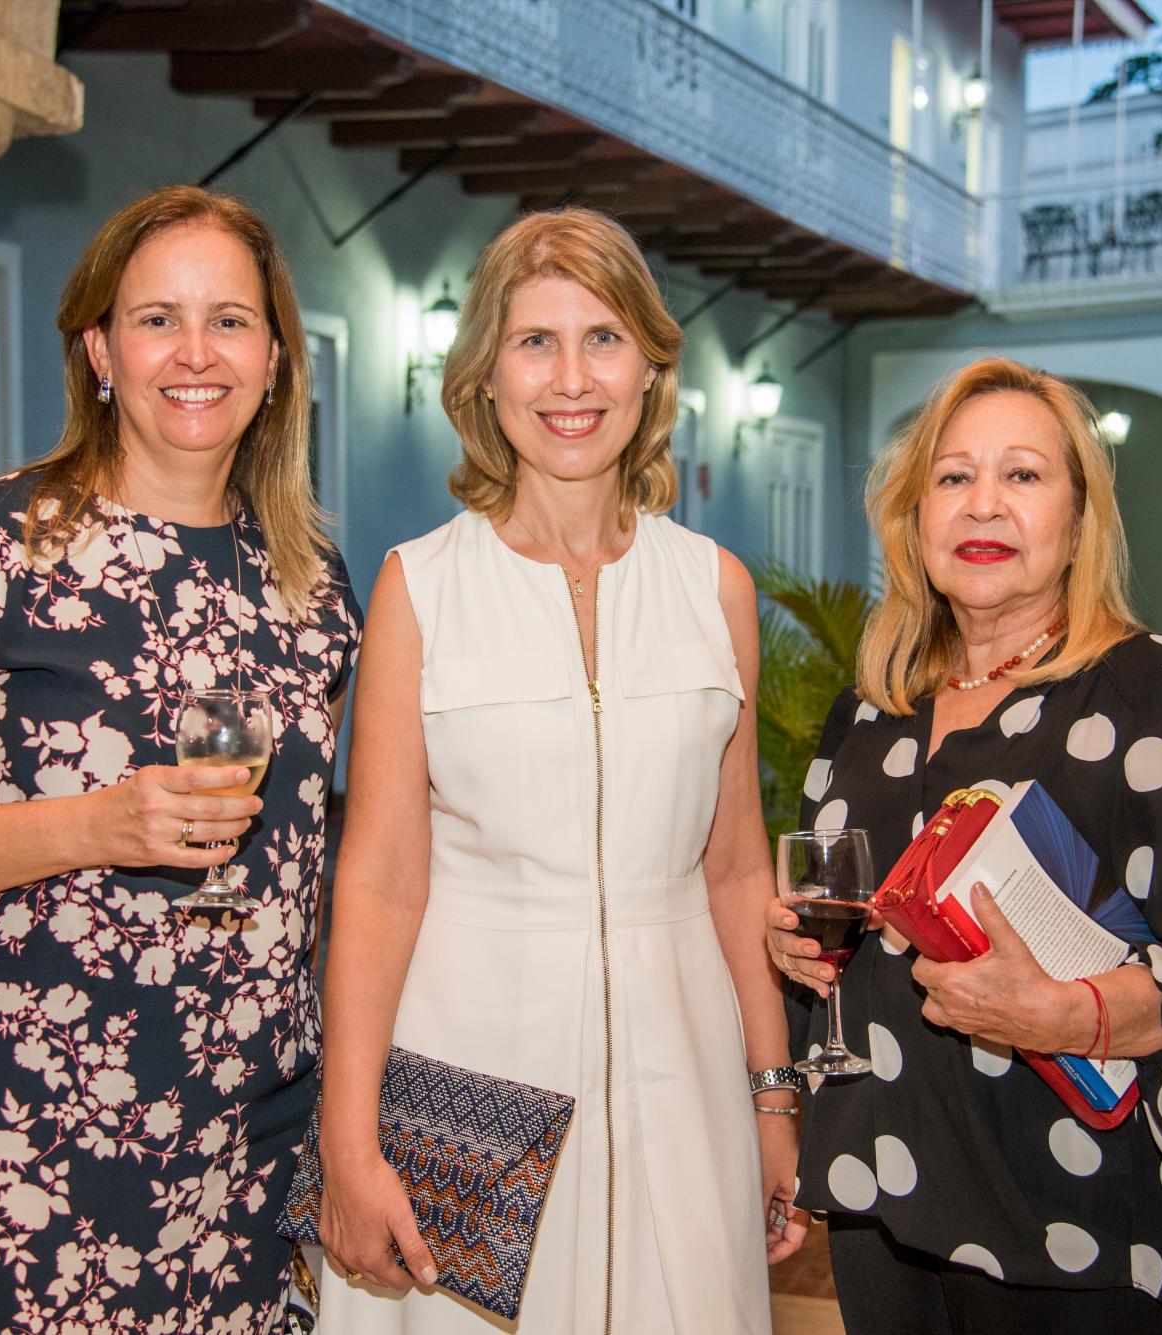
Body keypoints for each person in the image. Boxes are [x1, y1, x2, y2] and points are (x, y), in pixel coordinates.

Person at [0, 187, 362, 1331]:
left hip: (250, 1116)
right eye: (157, 319)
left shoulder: (313, 589)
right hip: (18, 1120)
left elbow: (302, 864)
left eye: (230, 321)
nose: (195, 353)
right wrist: (90, 827)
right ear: (100, 348)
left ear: (273, 358)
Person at [314, 208, 800, 1332]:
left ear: (649, 369)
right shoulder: (418, 587)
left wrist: (772, 1097)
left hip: (683, 1090)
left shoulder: (713, 586)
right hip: (465, 1088)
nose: (569, 378)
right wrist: (347, 1143)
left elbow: (731, 868)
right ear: (484, 375)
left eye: (602, 338)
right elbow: (379, 878)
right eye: (534, 342)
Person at [765, 357, 1162, 1334]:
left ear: (1078, 521)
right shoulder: (872, 712)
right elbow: (830, 916)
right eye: (952, 477)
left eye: (1021, 475)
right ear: (913, 513)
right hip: (883, 1205)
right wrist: (792, 952)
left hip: (1082, 1229)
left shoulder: (1154, 694)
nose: (982, 507)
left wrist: (1067, 1014)